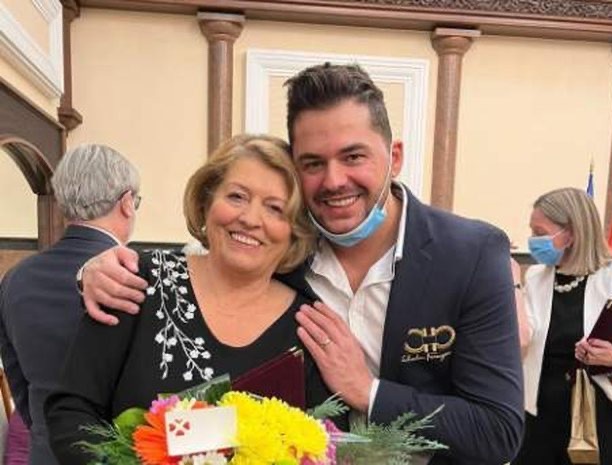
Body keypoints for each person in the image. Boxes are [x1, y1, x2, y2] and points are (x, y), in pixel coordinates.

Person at [78, 64, 524, 464]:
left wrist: (367, 391)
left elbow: (498, 432)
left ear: (394, 157)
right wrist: (94, 268)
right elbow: (209, 266)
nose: (334, 180)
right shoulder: (283, 248)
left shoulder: (470, 254)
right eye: (313, 163)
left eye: (353, 156)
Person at [44, 135, 333, 465]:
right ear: (206, 201)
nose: (251, 219)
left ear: (294, 230)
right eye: (237, 196)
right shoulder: (137, 280)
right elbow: (72, 410)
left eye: (275, 208)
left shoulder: (308, 324)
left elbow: (326, 444)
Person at [0, 144, 140, 464]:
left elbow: (19, 386)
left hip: (47, 451)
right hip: (120, 454)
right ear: (127, 203)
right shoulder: (134, 275)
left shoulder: (16, 279)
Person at [513, 187, 612, 465]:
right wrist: (511, 284)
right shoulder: (535, 277)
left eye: (539, 232)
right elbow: (522, 338)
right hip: (540, 414)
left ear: (571, 233)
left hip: (601, 415)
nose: (532, 241)